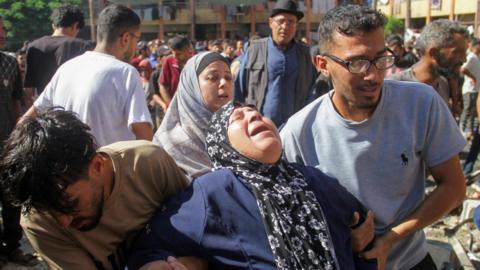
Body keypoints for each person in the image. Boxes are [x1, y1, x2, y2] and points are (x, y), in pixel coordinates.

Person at [280, 5, 466, 270]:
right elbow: (290, 219)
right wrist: (339, 237)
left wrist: (390, 238)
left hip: (411, 261)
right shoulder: (297, 133)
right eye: (356, 63)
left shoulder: (421, 104)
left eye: (381, 59)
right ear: (323, 64)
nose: (373, 75)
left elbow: (454, 187)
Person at [128, 102, 376, 270]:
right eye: (238, 117)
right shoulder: (213, 193)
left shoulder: (314, 180)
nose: (254, 115)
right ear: (222, 144)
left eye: (256, 112)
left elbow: (364, 229)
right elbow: (150, 248)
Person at [0, 109, 198, 270]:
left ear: (97, 166)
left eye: (69, 203)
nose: (63, 221)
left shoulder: (148, 164)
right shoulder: (37, 221)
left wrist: (185, 264)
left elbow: (204, 231)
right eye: (51, 212)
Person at [23, 4, 153, 146]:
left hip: (67, 166)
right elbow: (143, 135)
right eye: (137, 39)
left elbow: (28, 118)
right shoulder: (126, 73)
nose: (136, 46)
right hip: (109, 167)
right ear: (126, 38)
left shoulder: (66, 69)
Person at [235, 0, 316, 127]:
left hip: (294, 129)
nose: (285, 26)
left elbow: (312, 92)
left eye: (291, 22)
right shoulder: (255, 50)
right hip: (258, 127)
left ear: (296, 26)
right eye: (281, 21)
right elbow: (238, 89)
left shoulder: (305, 54)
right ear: (271, 23)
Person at [153, 52, 233, 179]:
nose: (223, 83)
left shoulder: (240, 129)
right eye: (213, 77)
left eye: (228, 77)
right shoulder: (168, 143)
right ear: (192, 85)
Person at [0, 15, 38, 267]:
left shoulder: (10, 62)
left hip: (6, 142)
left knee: (11, 196)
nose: (2, 33)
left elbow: (17, 101)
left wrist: (17, 135)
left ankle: (12, 247)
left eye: (3, 28)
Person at [388, 20, 469, 108]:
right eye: (457, 52)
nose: (464, 60)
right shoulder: (394, 86)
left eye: (464, 53)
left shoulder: (443, 84)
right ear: (433, 53)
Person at [24, 4, 92, 101]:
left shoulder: (33, 46)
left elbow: (28, 91)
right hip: (71, 108)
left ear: (54, 25)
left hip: (44, 109)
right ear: (75, 26)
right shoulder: (82, 46)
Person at [159, 35, 194, 108]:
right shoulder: (169, 61)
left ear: (187, 50)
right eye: (172, 53)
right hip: (176, 107)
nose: (174, 56)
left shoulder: (196, 62)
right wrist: (171, 106)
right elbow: (163, 86)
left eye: (178, 54)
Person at [460, 37, 480, 138]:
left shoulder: (477, 57)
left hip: (475, 89)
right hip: (469, 89)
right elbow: (462, 69)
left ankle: (470, 131)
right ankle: (461, 130)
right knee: (467, 109)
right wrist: (472, 77)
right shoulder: (471, 56)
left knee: (472, 112)